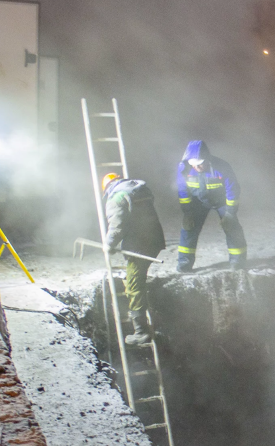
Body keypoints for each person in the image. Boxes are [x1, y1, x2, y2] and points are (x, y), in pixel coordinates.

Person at [102, 173, 166, 346]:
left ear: (108, 188)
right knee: (139, 273)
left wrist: (109, 245)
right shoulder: (140, 189)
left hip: (139, 246)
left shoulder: (117, 198)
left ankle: (141, 332)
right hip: (154, 240)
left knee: (134, 286)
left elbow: (117, 226)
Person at [175, 140, 246, 272]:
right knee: (188, 229)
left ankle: (238, 261)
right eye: (194, 164)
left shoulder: (222, 166)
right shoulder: (184, 168)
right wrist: (187, 212)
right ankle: (184, 263)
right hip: (199, 202)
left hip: (222, 201)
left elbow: (233, 189)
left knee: (232, 227)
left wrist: (230, 213)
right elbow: (183, 190)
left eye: (200, 164)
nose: (197, 167)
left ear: (207, 159)